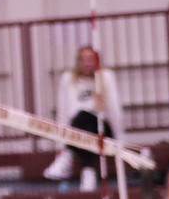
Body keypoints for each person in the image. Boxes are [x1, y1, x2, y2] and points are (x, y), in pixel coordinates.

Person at [41, 46, 124, 191]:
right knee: (80, 118)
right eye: (83, 59)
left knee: (85, 116)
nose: (86, 63)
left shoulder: (106, 77)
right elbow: (63, 113)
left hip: (102, 129)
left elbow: (115, 110)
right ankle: (87, 172)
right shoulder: (68, 79)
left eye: (90, 60)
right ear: (77, 62)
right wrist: (60, 146)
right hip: (77, 130)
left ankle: (70, 155)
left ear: (96, 62)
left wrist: (120, 142)